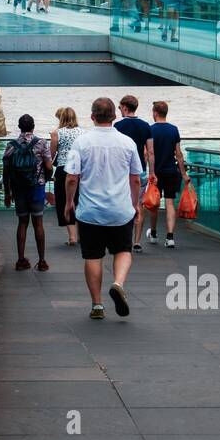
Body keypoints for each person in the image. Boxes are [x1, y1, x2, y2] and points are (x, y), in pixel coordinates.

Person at [63, 97, 142, 320]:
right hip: (120, 210)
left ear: (92, 117)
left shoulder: (81, 142)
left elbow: (71, 178)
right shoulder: (128, 143)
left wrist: (69, 202)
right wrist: (134, 205)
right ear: (115, 117)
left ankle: (97, 305)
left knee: (93, 256)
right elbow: (135, 179)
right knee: (123, 250)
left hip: (90, 212)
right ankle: (118, 283)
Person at [3, 114, 54, 271]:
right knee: (38, 223)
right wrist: (45, 179)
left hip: (18, 189)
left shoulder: (11, 146)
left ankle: (20, 260)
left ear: (19, 127)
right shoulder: (41, 143)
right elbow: (49, 166)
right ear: (33, 126)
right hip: (36, 188)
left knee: (22, 223)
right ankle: (42, 261)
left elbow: (6, 172)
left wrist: (7, 193)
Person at [143, 100, 189, 247]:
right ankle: (170, 237)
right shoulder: (173, 130)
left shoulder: (150, 130)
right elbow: (179, 154)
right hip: (171, 171)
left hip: (156, 173)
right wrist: (183, 174)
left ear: (155, 113)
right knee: (170, 203)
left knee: (154, 203)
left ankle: (154, 233)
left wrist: (149, 171)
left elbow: (147, 153)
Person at [113, 94, 152, 252]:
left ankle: (124, 239)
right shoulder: (146, 126)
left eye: (120, 107)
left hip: (122, 172)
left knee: (121, 204)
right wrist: (153, 171)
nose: (120, 110)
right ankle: (136, 241)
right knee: (138, 205)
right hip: (140, 171)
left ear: (125, 107)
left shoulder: (118, 126)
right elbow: (150, 151)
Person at [49, 106, 85, 246]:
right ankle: (82, 234)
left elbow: (51, 155)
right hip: (81, 170)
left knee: (65, 201)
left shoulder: (56, 133)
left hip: (63, 169)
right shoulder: (83, 132)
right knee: (80, 201)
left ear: (62, 117)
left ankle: (72, 237)